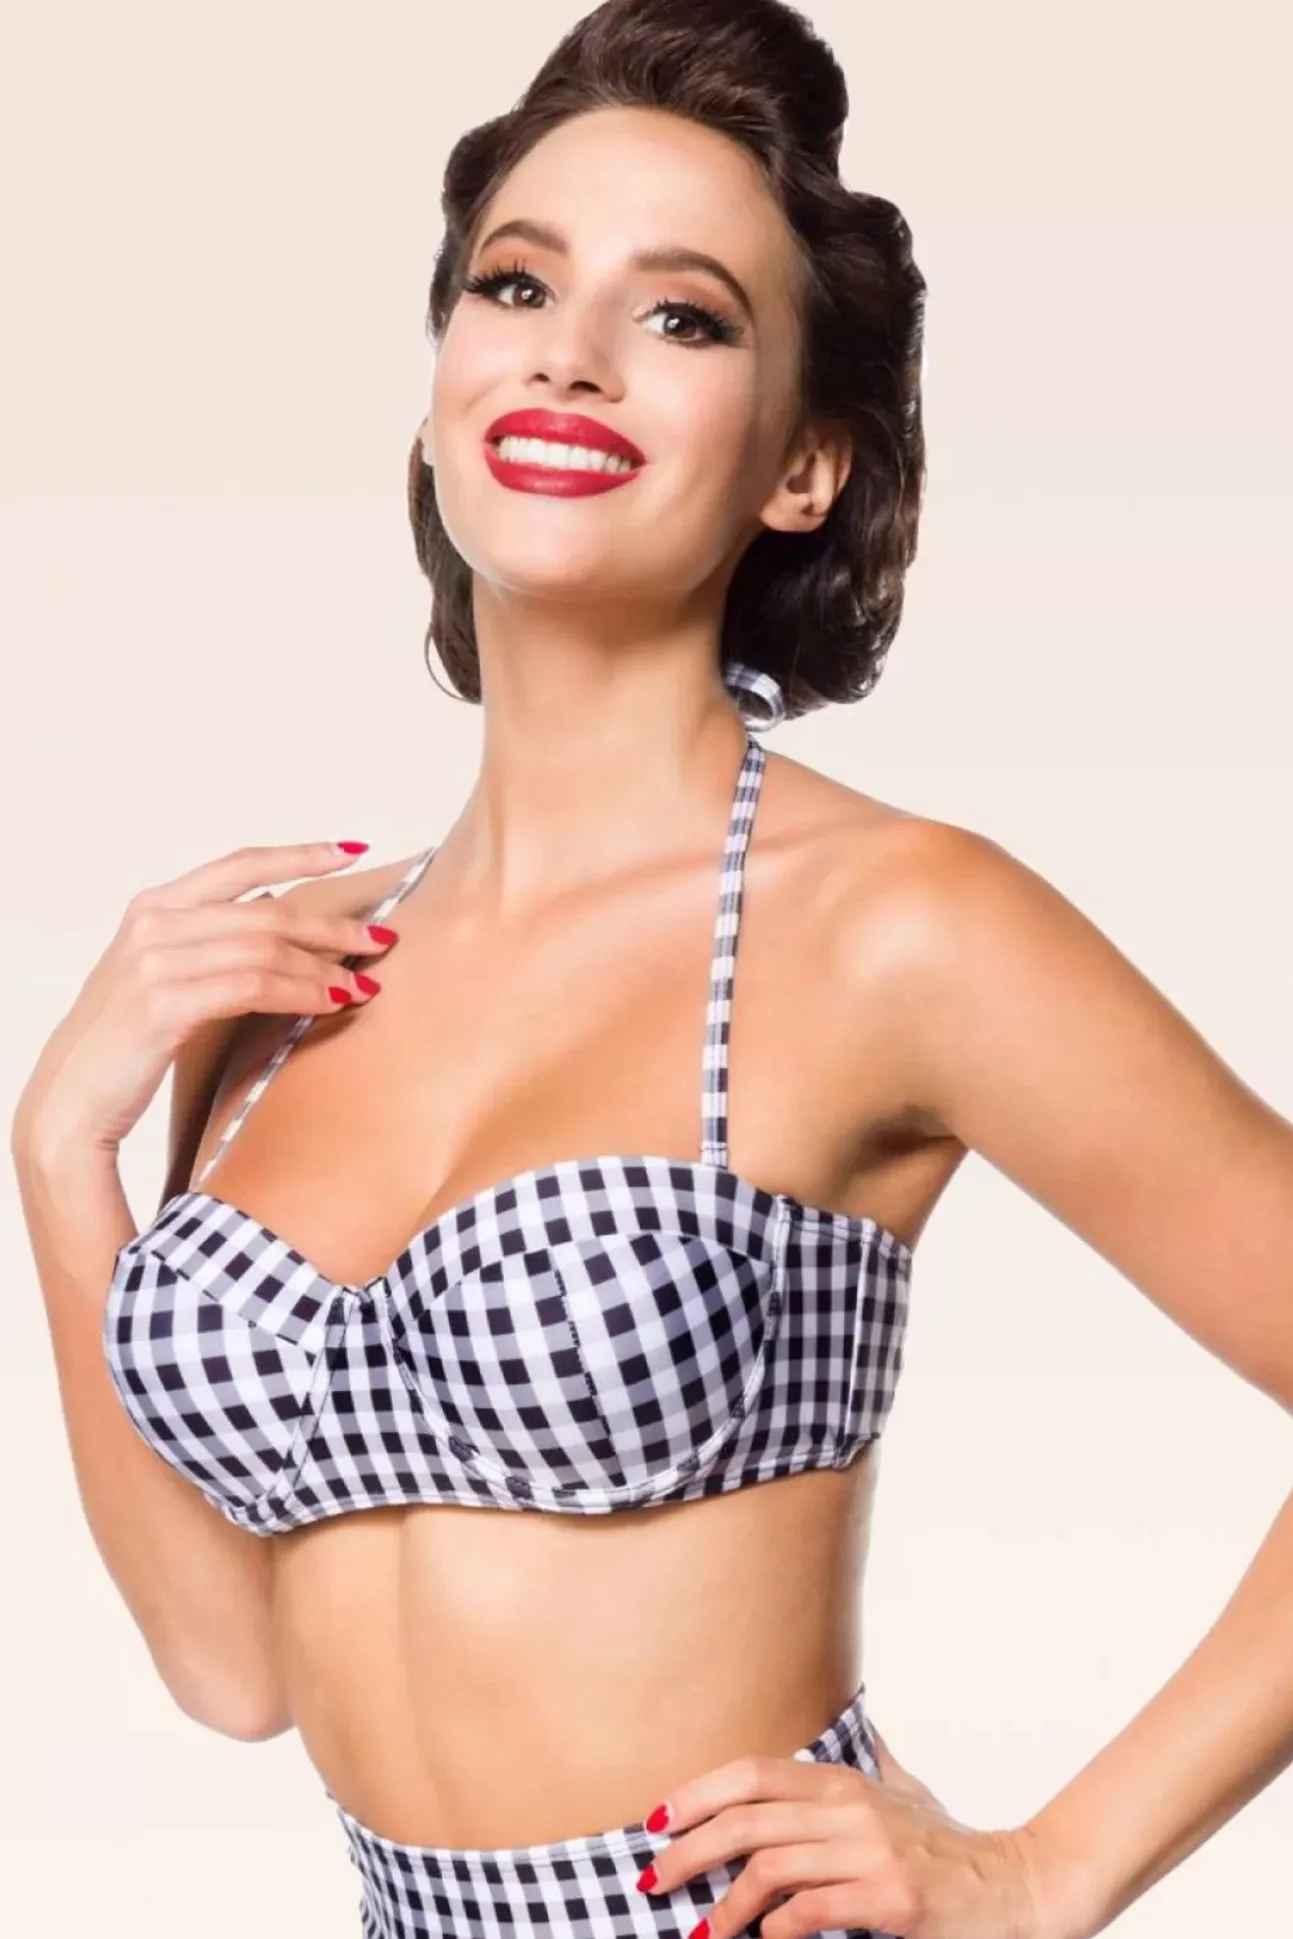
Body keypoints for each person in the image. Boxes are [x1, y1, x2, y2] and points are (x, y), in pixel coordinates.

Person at [13, 2, 1293, 1936]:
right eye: (515, 284)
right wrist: (59, 1154)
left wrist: (1047, 1868)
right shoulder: (288, 979)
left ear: (803, 467)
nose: (570, 352)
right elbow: (233, 1666)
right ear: (442, 377)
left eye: (683, 316)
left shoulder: (892, 923)